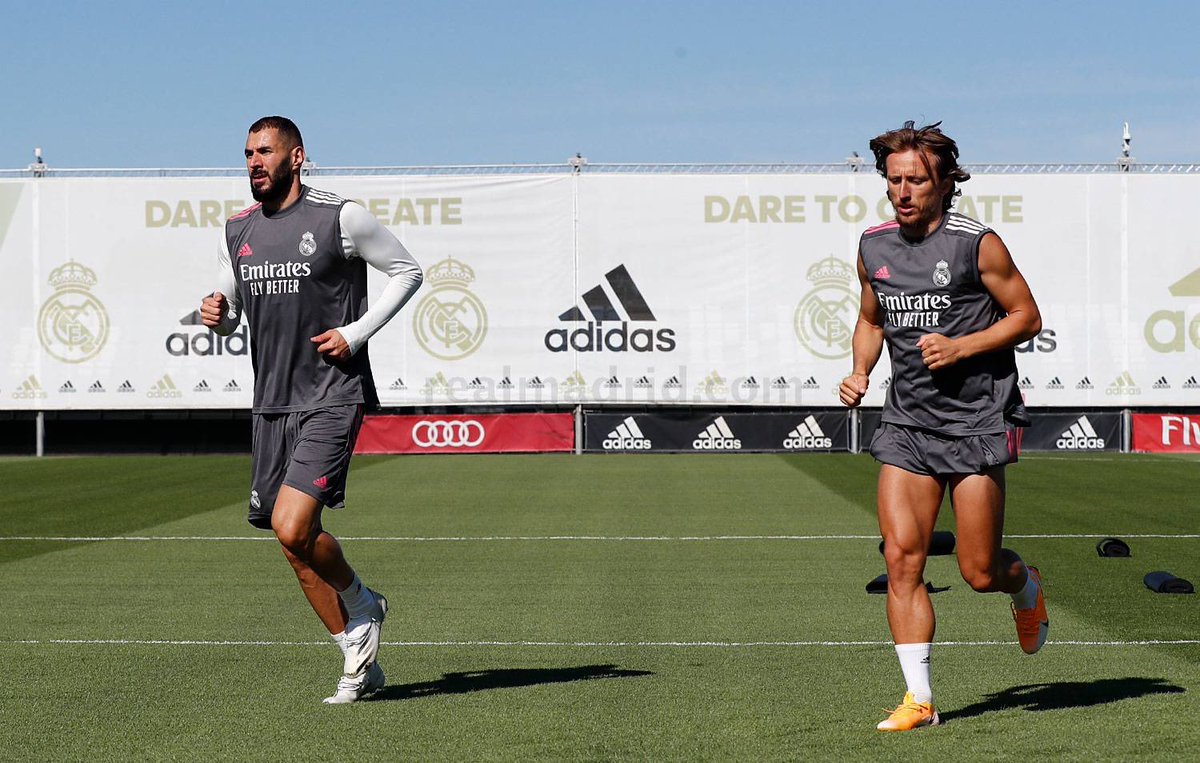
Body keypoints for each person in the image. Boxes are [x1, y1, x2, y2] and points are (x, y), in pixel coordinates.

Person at [200, 116, 423, 703]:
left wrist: (357, 332)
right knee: (293, 544)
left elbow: (408, 271)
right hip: (271, 401)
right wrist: (218, 313)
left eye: (265, 151)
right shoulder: (238, 228)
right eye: (247, 152)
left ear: (296, 157)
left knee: (291, 525)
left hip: (331, 393)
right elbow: (231, 311)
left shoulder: (339, 217)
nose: (253, 161)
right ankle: (359, 657)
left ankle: (362, 602)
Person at [838, 121, 1047, 732]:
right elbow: (871, 319)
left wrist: (962, 347)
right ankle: (920, 700)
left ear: (944, 182)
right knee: (903, 559)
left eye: (915, 181)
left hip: (979, 420)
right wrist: (858, 370)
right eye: (893, 181)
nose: (902, 192)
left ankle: (1025, 585)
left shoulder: (977, 244)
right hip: (906, 424)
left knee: (979, 572)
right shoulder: (872, 246)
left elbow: (1026, 317)